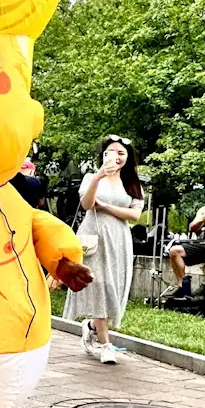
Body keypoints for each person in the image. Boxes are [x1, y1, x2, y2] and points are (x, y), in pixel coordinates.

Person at [63, 135, 144, 364]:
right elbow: (87, 204)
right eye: (111, 152)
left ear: (128, 158)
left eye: (121, 153)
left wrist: (106, 206)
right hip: (94, 237)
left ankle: (91, 326)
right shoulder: (91, 177)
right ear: (103, 155)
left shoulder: (133, 183)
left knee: (114, 289)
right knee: (100, 286)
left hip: (119, 239)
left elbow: (135, 215)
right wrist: (99, 176)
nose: (116, 157)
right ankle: (106, 344)